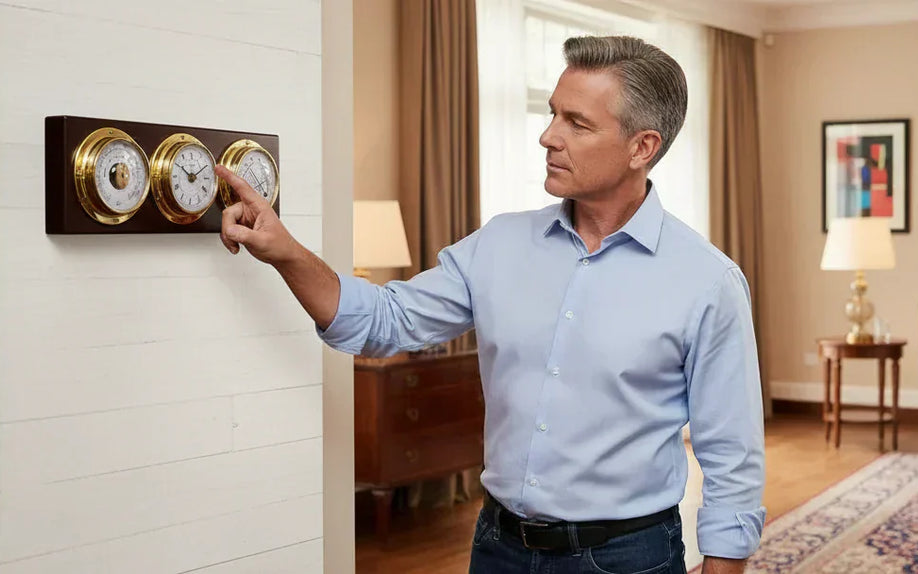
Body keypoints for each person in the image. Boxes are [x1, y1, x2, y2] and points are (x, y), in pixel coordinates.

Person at [215, 35, 766, 574]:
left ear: (642, 147)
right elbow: (384, 320)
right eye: (552, 114)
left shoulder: (707, 282)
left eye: (577, 123)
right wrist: (285, 251)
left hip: (626, 558)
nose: (548, 137)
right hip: (498, 548)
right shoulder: (499, 244)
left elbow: (732, 455)